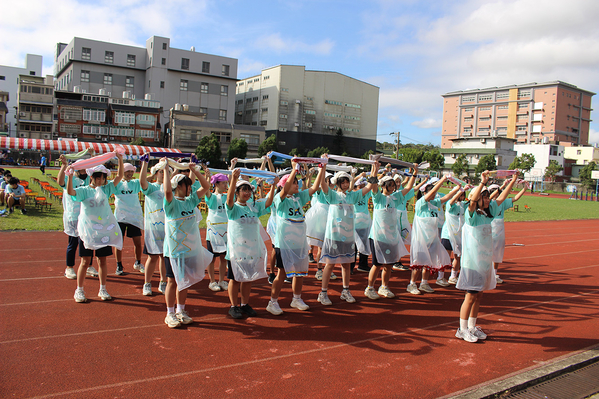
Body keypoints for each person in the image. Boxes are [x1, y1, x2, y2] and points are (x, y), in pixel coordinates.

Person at [455, 170, 514, 342]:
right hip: (472, 263)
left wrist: (514, 181)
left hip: (484, 263)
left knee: (479, 295)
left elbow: (502, 198)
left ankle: (472, 327)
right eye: (484, 197)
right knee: (470, 295)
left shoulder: (489, 214)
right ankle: (462, 329)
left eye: (488, 197)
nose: (488, 200)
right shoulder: (471, 216)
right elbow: (472, 201)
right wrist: (482, 183)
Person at [317, 160, 379, 306]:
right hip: (334, 236)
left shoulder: (352, 196)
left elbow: (369, 187)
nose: (345, 185)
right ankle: (323, 292)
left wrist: (374, 170)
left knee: (346, 265)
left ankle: (345, 290)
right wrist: (323, 166)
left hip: (348, 237)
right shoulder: (332, 196)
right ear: (337, 183)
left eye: (347, 182)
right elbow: (322, 185)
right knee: (330, 264)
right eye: (342, 182)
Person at [266, 161, 325, 315]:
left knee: (300, 272)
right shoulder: (280, 199)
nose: (297, 184)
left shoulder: (298, 197)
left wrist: (321, 169)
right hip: (284, 243)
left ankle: (296, 298)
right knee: (282, 273)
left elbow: (314, 188)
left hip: (299, 242)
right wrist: (293, 170)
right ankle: (273, 302)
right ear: (284, 185)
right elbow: (285, 190)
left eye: (297, 182)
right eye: (293, 182)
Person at [67, 154, 124, 303]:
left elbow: (120, 176)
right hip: (87, 231)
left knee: (102, 261)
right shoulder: (85, 190)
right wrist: (69, 176)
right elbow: (71, 192)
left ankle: (103, 288)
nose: (100, 181)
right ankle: (79, 290)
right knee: (85, 261)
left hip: (103, 231)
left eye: (103, 178)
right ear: (91, 177)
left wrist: (120, 159)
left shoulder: (106, 189)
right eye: (97, 178)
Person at [162, 160, 213, 328]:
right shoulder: (171, 203)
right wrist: (166, 171)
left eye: (189, 186)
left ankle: (181, 310)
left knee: (184, 281)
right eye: (186, 185)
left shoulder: (191, 201)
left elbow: (205, 187)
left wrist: (195, 171)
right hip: (174, 250)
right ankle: (170, 313)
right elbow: (167, 190)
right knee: (172, 282)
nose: (189, 188)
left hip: (188, 249)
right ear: (178, 187)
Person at [226, 169, 277, 319]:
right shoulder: (233, 208)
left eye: (249, 190)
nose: (247, 193)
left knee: (248, 278)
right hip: (236, 252)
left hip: (250, 251)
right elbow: (228, 201)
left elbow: (268, 202)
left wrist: (273, 185)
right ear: (237, 192)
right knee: (235, 279)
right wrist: (234, 180)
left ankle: (244, 304)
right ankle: (233, 306)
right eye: (244, 190)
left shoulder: (253, 208)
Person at [365, 165, 417, 299]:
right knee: (377, 265)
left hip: (391, 237)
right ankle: (370, 288)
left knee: (389, 265)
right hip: (378, 237)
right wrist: (375, 170)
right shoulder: (378, 198)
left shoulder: (396, 197)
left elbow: (408, 187)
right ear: (383, 185)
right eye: (389, 185)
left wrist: (415, 173)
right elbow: (373, 185)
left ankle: (384, 287)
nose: (393, 187)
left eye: (393, 185)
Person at [408, 176, 460, 295]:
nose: (434, 195)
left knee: (428, 262)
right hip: (421, 240)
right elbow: (432, 192)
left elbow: (447, 197)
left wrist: (458, 189)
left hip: (432, 238)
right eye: (431, 192)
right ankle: (411, 284)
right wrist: (442, 180)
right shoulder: (421, 203)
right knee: (418, 262)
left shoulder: (435, 203)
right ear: (425, 193)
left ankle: (424, 283)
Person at [57, 155, 98, 280]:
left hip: (87, 216)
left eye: (87, 169)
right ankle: (69, 267)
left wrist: (93, 157)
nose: (85, 171)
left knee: (88, 242)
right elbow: (60, 182)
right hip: (73, 216)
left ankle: (89, 265)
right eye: (83, 169)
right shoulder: (72, 180)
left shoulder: (89, 181)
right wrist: (64, 166)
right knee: (73, 243)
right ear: (77, 170)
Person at [489, 174, 525, 283]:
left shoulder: (502, 203)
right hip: (488, 230)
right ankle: (487, 273)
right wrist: (505, 185)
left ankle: (494, 274)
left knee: (498, 253)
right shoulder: (488, 203)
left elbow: (515, 198)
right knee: (487, 253)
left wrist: (524, 189)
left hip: (499, 231)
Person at [139, 158, 168, 296]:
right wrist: (145, 163)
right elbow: (142, 182)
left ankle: (163, 282)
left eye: (165, 172)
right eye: (160, 172)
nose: (162, 174)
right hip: (153, 229)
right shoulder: (152, 188)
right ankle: (147, 283)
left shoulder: (169, 188)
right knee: (153, 257)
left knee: (164, 256)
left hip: (167, 229)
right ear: (156, 174)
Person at [114, 163, 144, 275]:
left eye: (132, 171)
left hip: (134, 217)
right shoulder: (117, 184)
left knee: (137, 242)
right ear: (122, 172)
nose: (130, 174)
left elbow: (146, 179)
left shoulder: (136, 183)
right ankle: (119, 265)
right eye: (127, 171)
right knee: (119, 243)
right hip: (120, 217)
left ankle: (138, 262)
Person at [203, 169, 230, 292]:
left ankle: (221, 280)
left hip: (225, 232)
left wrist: (232, 168)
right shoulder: (212, 197)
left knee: (224, 257)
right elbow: (206, 189)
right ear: (217, 184)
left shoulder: (228, 197)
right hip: (213, 233)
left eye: (226, 183)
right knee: (212, 258)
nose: (226, 185)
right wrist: (207, 177)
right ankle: (212, 281)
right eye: (223, 183)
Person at [442, 186, 468, 285]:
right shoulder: (450, 204)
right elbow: (452, 200)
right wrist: (459, 190)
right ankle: (440, 277)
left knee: (458, 256)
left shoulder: (463, 205)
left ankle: (453, 276)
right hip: (448, 234)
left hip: (458, 235)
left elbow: (473, 201)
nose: (461, 197)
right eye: (459, 195)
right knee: (445, 257)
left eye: (463, 195)